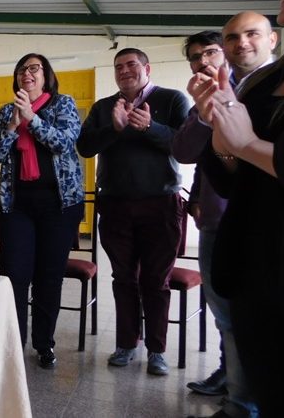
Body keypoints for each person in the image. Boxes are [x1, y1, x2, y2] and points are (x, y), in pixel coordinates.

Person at [191, 0, 284, 416]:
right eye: (233, 36)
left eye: (251, 35)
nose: (241, 43)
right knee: (275, 395)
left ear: (271, 40)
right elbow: (232, 177)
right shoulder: (277, 75)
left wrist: (246, 143)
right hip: (257, 269)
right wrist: (223, 131)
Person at [77, 48, 188, 376]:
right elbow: (85, 147)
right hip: (115, 205)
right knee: (123, 277)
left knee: (156, 280)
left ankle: (156, 350)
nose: (124, 71)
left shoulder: (172, 100)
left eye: (131, 65)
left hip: (161, 205)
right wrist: (114, 127)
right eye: (118, 67)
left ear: (147, 68)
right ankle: (126, 343)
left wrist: (150, 127)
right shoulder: (102, 107)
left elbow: (185, 145)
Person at [172, 31, 259, 418]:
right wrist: (203, 113)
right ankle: (230, 379)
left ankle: (243, 403)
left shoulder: (254, 90)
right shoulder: (199, 102)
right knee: (223, 312)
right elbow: (184, 151)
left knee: (246, 312)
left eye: (210, 52)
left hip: (254, 219)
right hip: (212, 217)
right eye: (195, 57)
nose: (203, 61)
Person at [0, 53, 85, 369]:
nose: (26, 74)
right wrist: (14, 125)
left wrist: (32, 117)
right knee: (13, 276)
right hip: (17, 207)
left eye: (33, 69)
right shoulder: (5, 112)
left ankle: (44, 344)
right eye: (21, 70)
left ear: (46, 76)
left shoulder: (63, 104)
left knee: (49, 277)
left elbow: (66, 143)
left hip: (59, 207)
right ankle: (12, 343)